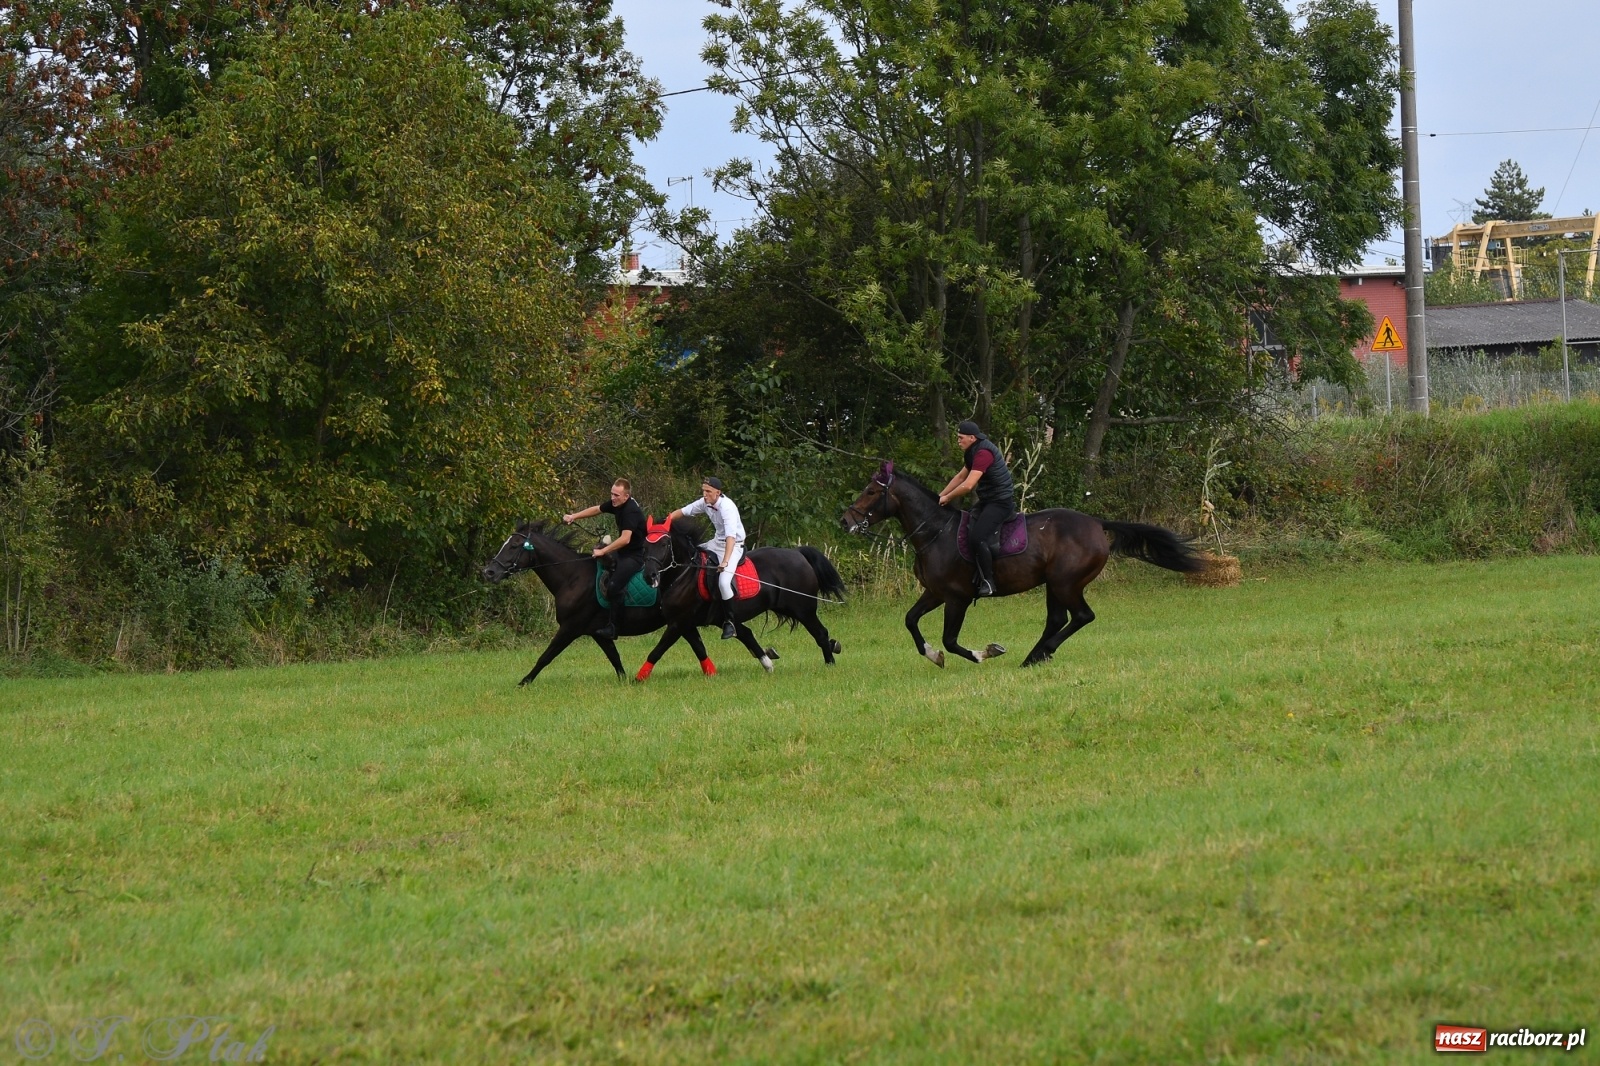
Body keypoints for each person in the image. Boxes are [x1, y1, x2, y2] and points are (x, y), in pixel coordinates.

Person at [937, 420, 1015, 597]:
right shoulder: (972, 452)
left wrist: (948, 498)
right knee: (965, 527)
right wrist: (939, 496)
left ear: (972, 438)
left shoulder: (983, 453)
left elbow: (968, 485)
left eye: (960, 438)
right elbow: (959, 477)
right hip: (988, 500)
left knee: (978, 537)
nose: (958, 441)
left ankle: (988, 581)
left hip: (1000, 502)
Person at [563, 478, 648, 640]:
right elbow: (597, 509)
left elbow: (625, 539)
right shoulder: (617, 503)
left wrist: (605, 551)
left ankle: (614, 628)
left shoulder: (630, 511)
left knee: (614, 586)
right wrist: (574, 516)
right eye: (611, 494)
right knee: (597, 566)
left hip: (636, 555)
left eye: (616, 495)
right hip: (624, 552)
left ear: (626, 496)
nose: (612, 498)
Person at [664, 477, 746, 639]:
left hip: (734, 546)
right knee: (693, 554)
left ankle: (730, 622)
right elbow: (683, 511)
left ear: (718, 492)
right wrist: (663, 524)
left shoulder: (727, 507)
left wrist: (725, 561)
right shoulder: (705, 502)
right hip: (717, 543)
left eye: (708, 491)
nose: (705, 494)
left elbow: (731, 538)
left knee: (723, 582)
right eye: (703, 490)